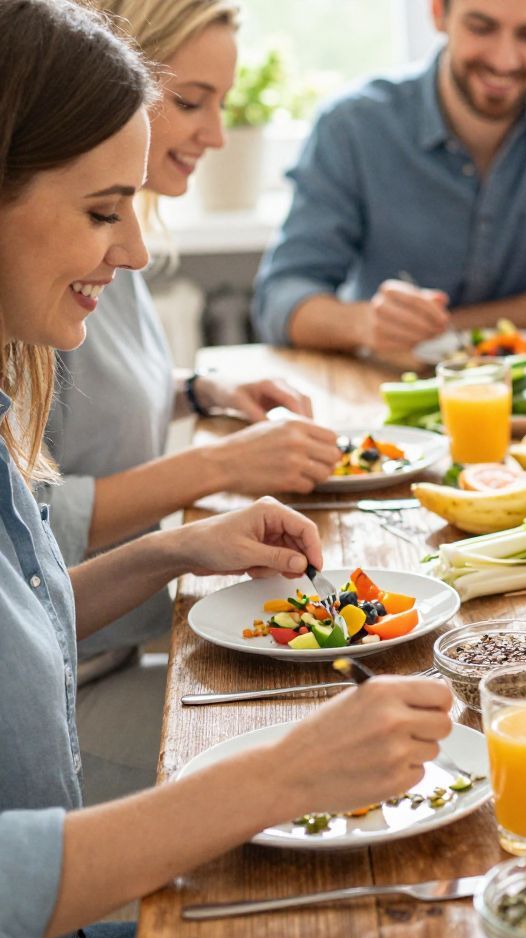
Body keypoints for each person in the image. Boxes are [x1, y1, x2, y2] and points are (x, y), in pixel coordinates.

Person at [0, 4, 453, 938]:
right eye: (99, 211)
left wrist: (175, 548)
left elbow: (21, 616)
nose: (132, 255)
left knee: (391, 935)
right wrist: (277, 778)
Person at [46, 0, 336, 682]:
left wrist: (204, 390)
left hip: (112, 651)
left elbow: (91, 392)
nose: (217, 135)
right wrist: (221, 467)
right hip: (79, 675)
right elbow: (36, 521)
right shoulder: (56, 259)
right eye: (192, 101)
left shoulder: (120, 236)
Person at [252, 0, 526, 359]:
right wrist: (364, 324)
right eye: (481, 28)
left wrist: (450, 326)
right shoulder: (351, 126)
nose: (504, 59)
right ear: (437, 13)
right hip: (389, 394)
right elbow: (281, 297)